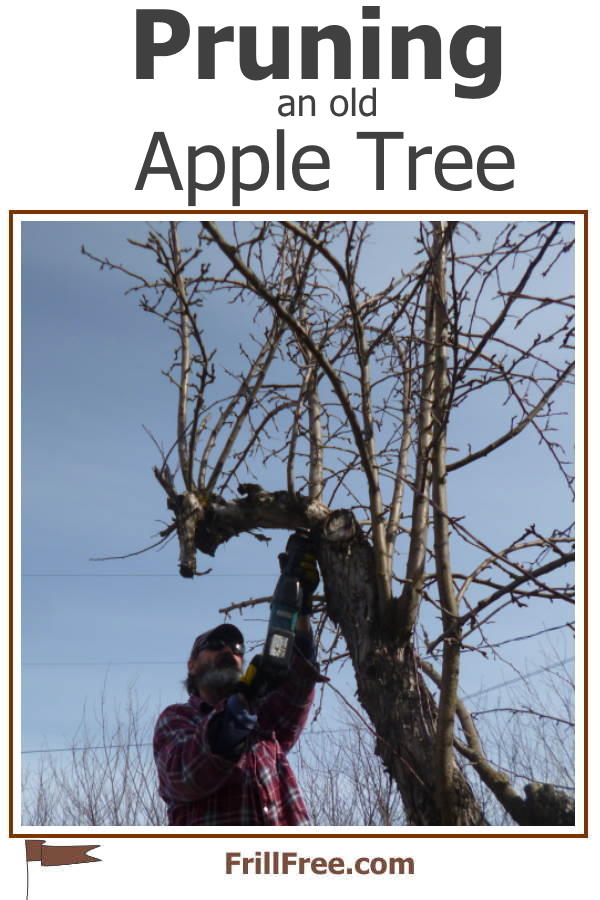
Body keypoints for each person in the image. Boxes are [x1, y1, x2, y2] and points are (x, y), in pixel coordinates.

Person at [153, 550, 322, 826]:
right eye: (215, 645)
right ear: (191, 665)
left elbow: (298, 685)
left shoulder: (264, 722)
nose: (228, 650)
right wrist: (240, 708)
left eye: (237, 648)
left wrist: (298, 606)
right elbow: (184, 774)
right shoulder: (177, 719)